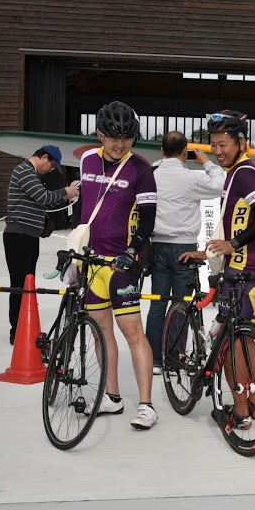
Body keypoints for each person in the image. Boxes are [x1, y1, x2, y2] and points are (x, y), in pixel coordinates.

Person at [179, 110, 255, 430]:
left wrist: (234, 244)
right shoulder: (237, 172)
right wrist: (210, 249)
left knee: (228, 338)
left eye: (224, 144)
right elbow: (237, 220)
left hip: (245, 269)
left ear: (242, 143)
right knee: (244, 337)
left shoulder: (245, 173)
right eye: (214, 145)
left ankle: (240, 410)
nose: (218, 150)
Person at [79, 101, 159, 430]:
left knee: (133, 334)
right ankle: (111, 397)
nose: (120, 144)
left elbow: (149, 220)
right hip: (91, 263)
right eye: (113, 137)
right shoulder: (86, 161)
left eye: (127, 138)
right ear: (100, 134)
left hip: (121, 265)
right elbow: (84, 206)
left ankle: (146, 405)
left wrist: (133, 250)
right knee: (100, 334)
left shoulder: (141, 169)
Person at [145, 131, 225, 374]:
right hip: (184, 247)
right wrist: (207, 162)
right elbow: (220, 184)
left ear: (161, 151)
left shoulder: (152, 174)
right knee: (182, 304)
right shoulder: (191, 177)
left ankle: (154, 360)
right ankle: (174, 357)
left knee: (158, 303)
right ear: (184, 153)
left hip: (156, 245)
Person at [3, 145, 79, 345]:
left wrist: (68, 195)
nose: (51, 170)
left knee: (27, 283)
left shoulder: (30, 174)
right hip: (19, 236)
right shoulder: (24, 171)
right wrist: (65, 191)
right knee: (20, 285)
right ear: (44, 157)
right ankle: (16, 330)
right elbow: (43, 197)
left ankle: (22, 327)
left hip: (27, 236)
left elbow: (42, 201)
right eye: (52, 166)